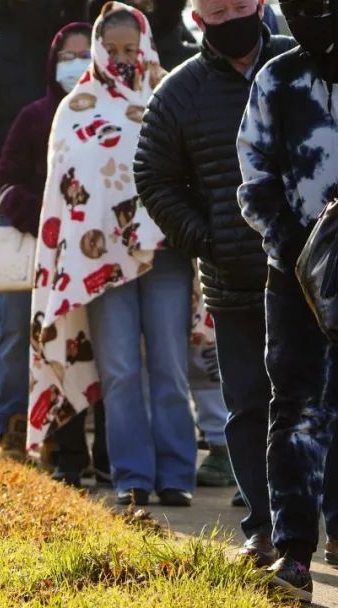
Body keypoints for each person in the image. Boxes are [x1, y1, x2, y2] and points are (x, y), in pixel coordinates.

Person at [137, 0, 295, 562]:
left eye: (238, 4)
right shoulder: (179, 92)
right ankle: (265, 527)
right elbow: (152, 175)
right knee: (250, 404)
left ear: (259, 5)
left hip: (311, 276)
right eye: (215, 8)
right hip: (235, 281)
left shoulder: (301, 64)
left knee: (318, 402)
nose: (229, 16)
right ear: (198, 17)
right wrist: (209, 239)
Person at [31, 3, 199, 509]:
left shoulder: (170, 92)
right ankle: (131, 476)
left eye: (132, 49)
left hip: (165, 251)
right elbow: (64, 186)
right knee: (121, 367)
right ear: (100, 51)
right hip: (97, 261)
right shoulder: (75, 105)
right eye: (114, 51)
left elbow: (194, 163)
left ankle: (176, 475)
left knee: (169, 364)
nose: (124, 59)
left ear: (145, 46)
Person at [0, 0, 85, 445]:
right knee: (13, 329)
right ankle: (9, 423)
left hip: (87, 217)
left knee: (82, 328)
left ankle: (76, 434)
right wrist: (7, 191)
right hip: (19, 216)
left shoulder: (84, 46)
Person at [237, 0, 338, 598]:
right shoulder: (276, 78)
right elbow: (254, 176)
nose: (311, 15)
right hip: (295, 274)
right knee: (297, 408)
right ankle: (294, 551)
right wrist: (300, 250)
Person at [0, 22, 99, 482]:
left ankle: (100, 457)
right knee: (31, 339)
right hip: (41, 251)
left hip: (95, 256)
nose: (74, 64)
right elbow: (8, 177)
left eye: (84, 54)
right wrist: (43, 216)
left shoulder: (113, 110)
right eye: (67, 56)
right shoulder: (36, 115)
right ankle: (26, 432)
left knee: (95, 352)